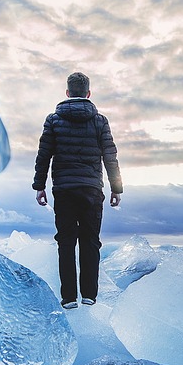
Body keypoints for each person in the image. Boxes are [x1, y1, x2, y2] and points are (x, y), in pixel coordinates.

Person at [33, 71, 122, 308]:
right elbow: (110, 157)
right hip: (92, 190)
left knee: (66, 242)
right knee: (91, 241)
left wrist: (39, 186)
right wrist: (116, 188)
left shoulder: (53, 120)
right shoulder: (100, 121)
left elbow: (44, 155)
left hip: (63, 189)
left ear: (67, 92)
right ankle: (89, 295)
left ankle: (69, 297)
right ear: (88, 93)